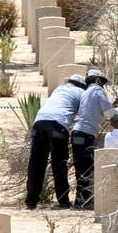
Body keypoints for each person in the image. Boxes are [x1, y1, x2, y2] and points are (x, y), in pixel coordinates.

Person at [25, 76, 84, 209]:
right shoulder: (82, 93)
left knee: (36, 163)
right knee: (59, 163)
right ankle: (63, 201)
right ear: (81, 85)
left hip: (39, 122)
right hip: (58, 125)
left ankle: (31, 201)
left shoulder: (59, 89)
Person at [68, 71, 113, 210]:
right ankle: (86, 201)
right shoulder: (98, 90)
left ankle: (80, 201)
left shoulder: (86, 92)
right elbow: (109, 114)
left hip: (77, 133)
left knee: (80, 167)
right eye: (103, 82)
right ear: (98, 80)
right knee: (88, 167)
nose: (104, 85)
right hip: (87, 134)